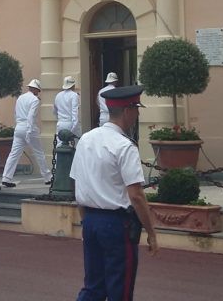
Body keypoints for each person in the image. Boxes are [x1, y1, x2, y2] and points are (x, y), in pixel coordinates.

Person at [70, 85, 158, 301]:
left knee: (93, 287)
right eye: (136, 109)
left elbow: (78, 185)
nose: (137, 115)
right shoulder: (125, 146)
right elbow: (136, 195)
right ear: (128, 111)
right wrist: (151, 231)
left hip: (91, 220)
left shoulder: (86, 140)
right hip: (117, 223)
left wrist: (86, 221)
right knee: (121, 289)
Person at [2, 80, 53, 187]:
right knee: (39, 153)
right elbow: (31, 116)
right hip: (29, 127)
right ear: (35, 89)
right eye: (38, 90)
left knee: (14, 154)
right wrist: (29, 131)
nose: (38, 93)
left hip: (19, 127)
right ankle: (47, 177)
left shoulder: (20, 97)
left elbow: (15, 113)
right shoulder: (34, 100)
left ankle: (6, 177)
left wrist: (17, 126)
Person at [54, 76, 82, 144]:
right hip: (70, 123)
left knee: (59, 144)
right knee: (77, 144)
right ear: (73, 85)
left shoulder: (58, 95)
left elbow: (55, 111)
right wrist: (74, 127)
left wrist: (59, 119)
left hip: (60, 123)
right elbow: (74, 112)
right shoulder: (74, 95)